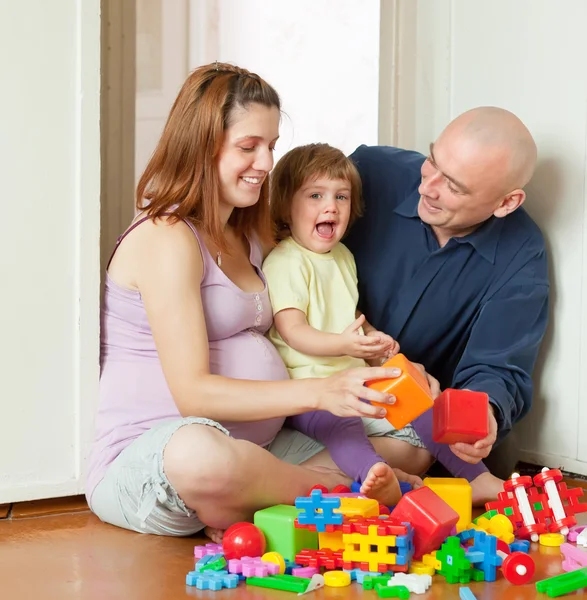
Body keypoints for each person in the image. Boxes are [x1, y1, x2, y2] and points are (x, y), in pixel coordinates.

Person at [85, 62, 437, 542]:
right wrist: (319, 393)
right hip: (158, 456)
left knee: (409, 445)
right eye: (248, 147)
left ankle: (266, 500)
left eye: (271, 146)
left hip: (261, 448)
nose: (266, 163)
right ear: (200, 146)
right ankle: (343, 493)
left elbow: (323, 314)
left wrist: (400, 370)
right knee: (202, 456)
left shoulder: (249, 236)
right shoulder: (165, 237)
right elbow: (194, 395)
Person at [263, 142, 494, 503]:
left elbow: (349, 313)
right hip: (310, 390)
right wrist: (344, 345)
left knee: (416, 396)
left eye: (341, 197)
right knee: (344, 425)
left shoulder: (342, 256)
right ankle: (373, 473)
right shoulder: (286, 261)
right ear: (285, 206)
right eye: (315, 195)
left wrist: (371, 337)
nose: (331, 206)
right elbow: (293, 331)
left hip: (352, 376)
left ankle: (476, 477)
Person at [343, 107, 550, 504]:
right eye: (431, 162)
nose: (428, 187)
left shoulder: (521, 252)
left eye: (453, 186)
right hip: (309, 377)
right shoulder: (368, 172)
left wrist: (483, 414)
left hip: (396, 421)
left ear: (506, 202)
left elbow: (497, 367)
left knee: (418, 450)